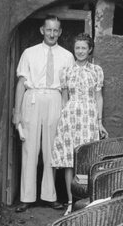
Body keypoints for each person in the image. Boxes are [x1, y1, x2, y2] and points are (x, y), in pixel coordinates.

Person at [12, 15, 75, 212]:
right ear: (42, 30)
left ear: (60, 32)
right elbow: (21, 84)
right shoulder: (29, 53)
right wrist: (17, 112)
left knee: (51, 148)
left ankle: (50, 196)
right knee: (30, 147)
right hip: (33, 98)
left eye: (56, 30)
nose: (52, 34)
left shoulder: (67, 56)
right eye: (49, 30)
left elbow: (69, 87)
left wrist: (68, 112)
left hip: (55, 99)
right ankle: (26, 197)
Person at [51, 33, 108, 215]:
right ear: (74, 50)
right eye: (77, 48)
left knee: (87, 160)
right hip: (70, 119)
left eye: (84, 48)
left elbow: (99, 97)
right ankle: (70, 201)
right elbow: (64, 99)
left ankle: (85, 202)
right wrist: (63, 119)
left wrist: (99, 122)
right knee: (69, 160)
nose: (80, 51)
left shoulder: (96, 70)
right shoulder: (66, 71)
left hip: (89, 117)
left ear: (90, 49)